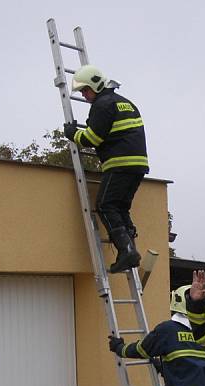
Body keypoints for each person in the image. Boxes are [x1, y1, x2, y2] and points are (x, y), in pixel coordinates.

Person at [63, 64, 148, 273]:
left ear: (95, 84)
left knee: (104, 205)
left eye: (85, 90)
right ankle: (130, 251)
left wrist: (73, 134)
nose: (84, 95)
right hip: (137, 165)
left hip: (119, 164)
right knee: (120, 208)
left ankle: (127, 250)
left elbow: (92, 138)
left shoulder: (102, 105)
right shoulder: (125, 103)